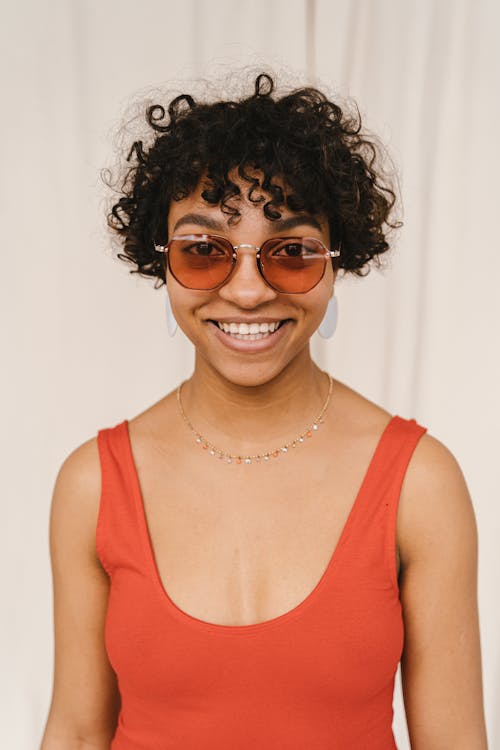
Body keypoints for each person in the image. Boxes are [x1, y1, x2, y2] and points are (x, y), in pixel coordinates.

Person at [40, 72, 488, 749]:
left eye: (291, 252)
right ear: (162, 263)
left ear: (336, 262)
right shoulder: (92, 485)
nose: (247, 291)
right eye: (204, 252)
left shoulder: (421, 484)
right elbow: (75, 732)